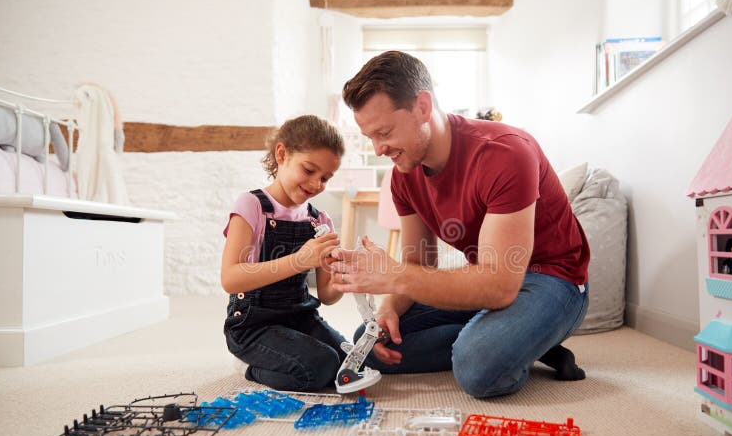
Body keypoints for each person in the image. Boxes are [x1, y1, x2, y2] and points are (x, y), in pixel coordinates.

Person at [331, 51, 591, 398]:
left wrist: (392, 274)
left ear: (423, 107)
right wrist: (389, 307)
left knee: (477, 366)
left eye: (385, 132)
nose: (378, 149)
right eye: (370, 138)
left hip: (553, 279)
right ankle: (516, 337)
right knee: (371, 341)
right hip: (487, 279)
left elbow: (499, 285)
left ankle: (507, 339)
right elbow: (419, 264)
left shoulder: (505, 153)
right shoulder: (404, 176)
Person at [220, 115, 348, 392]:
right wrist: (300, 260)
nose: (316, 184)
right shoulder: (252, 205)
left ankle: (293, 351)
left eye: (325, 178)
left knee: (349, 363)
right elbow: (231, 278)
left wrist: (343, 276)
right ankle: (251, 368)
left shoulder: (320, 220)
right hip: (253, 325)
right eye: (309, 170)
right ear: (282, 154)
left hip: (301, 318)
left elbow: (327, 295)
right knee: (320, 366)